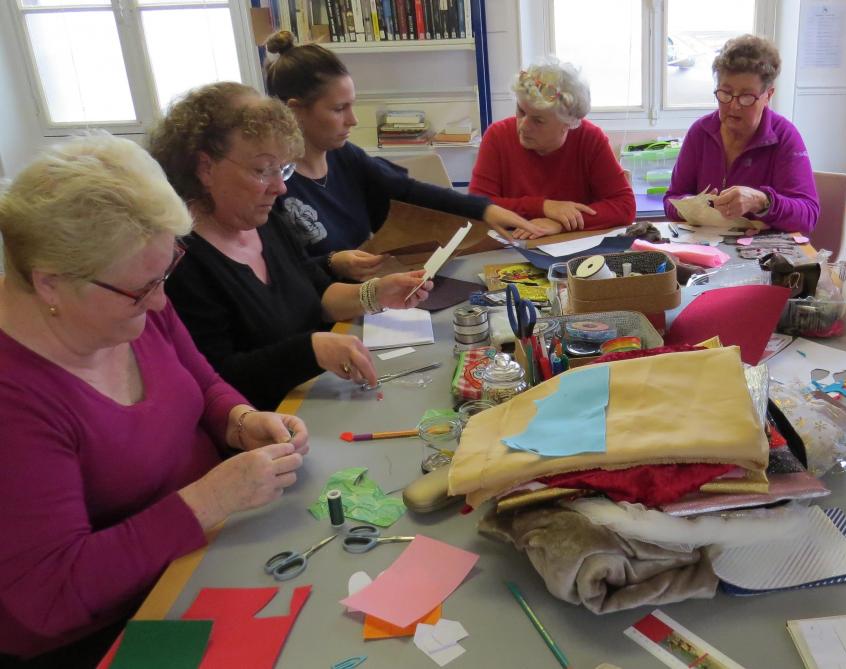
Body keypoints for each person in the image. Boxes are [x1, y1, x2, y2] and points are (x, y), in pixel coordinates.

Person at [0, 135, 308, 666]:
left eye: (166, 272)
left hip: (204, 557)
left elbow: (202, 385)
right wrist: (211, 499)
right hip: (112, 629)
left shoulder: (131, 296)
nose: (162, 300)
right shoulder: (15, 398)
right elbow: (47, 595)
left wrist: (240, 420)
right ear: (49, 284)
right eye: (144, 287)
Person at [150, 82, 432, 410]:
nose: (280, 187)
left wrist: (376, 293)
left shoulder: (265, 221)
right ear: (205, 167)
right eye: (261, 170)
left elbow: (312, 292)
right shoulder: (180, 261)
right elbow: (218, 379)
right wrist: (311, 351)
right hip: (273, 425)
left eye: (282, 169)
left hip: (318, 397)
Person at [263, 31, 546, 281]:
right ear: (295, 110)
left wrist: (484, 209)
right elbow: (280, 276)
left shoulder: (346, 157)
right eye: (339, 109)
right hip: (330, 319)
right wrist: (331, 263)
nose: (353, 120)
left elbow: (410, 192)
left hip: (374, 297)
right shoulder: (274, 187)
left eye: (353, 106)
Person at [664, 34, 818, 234]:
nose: (733, 106)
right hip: (707, 249)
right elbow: (671, 201)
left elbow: (808, 216)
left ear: (768, 95)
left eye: (746, 97)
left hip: (763, 256)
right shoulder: (700, 133)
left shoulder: (784, 137)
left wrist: (761, 201)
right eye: (725, 93)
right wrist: (690, 205)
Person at [469, 58, 636, 239]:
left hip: (574, 252)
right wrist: (544, 207)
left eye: (538, 120)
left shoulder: (590, 139)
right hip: (512, 247)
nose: (523, 126)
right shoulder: (497, 136)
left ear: (568, 123)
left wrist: (561, 223)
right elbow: (478, 206)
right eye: (521, 111)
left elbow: (624, 206)